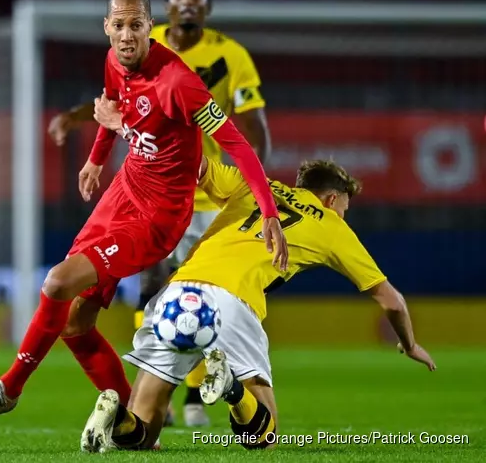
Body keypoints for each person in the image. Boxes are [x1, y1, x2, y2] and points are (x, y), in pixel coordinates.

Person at [0, 0, 288, 423]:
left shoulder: (179, 84)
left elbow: (238, 146)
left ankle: (9, 387)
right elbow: (111, 107)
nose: (127, 35)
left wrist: (270, 213)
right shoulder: (113, 60)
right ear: (107, 27)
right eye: (119, 25)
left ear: (151, 27)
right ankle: (138, 420)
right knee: (74, 323)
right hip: (124, 192)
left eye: (136, 26)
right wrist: (94, 159)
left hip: (159, 216)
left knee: (56, 283)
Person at [79, 156, 436, 453]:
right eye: (344, 207)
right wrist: (410, 344)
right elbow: (391, 299)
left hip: (176, 293)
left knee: (143, 435)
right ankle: (232, 390)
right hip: (232, 301)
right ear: (331, 199)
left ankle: (116, 415)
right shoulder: (331, 224)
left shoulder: (253, 184)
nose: (344, 216)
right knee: (264, 437)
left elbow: (194, 163)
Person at [47, 0, 272, 427]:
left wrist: (257, 195)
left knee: (198, 295)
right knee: (151, 288)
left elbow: (248, 130)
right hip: (155, 191)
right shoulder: (132, 44)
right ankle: (158, 393)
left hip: (209, 191)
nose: (187, 4)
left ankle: (193, 395)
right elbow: (113, 101)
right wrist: (84, 126)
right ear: (164, 10)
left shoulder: (227, 56)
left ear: (206, 7)